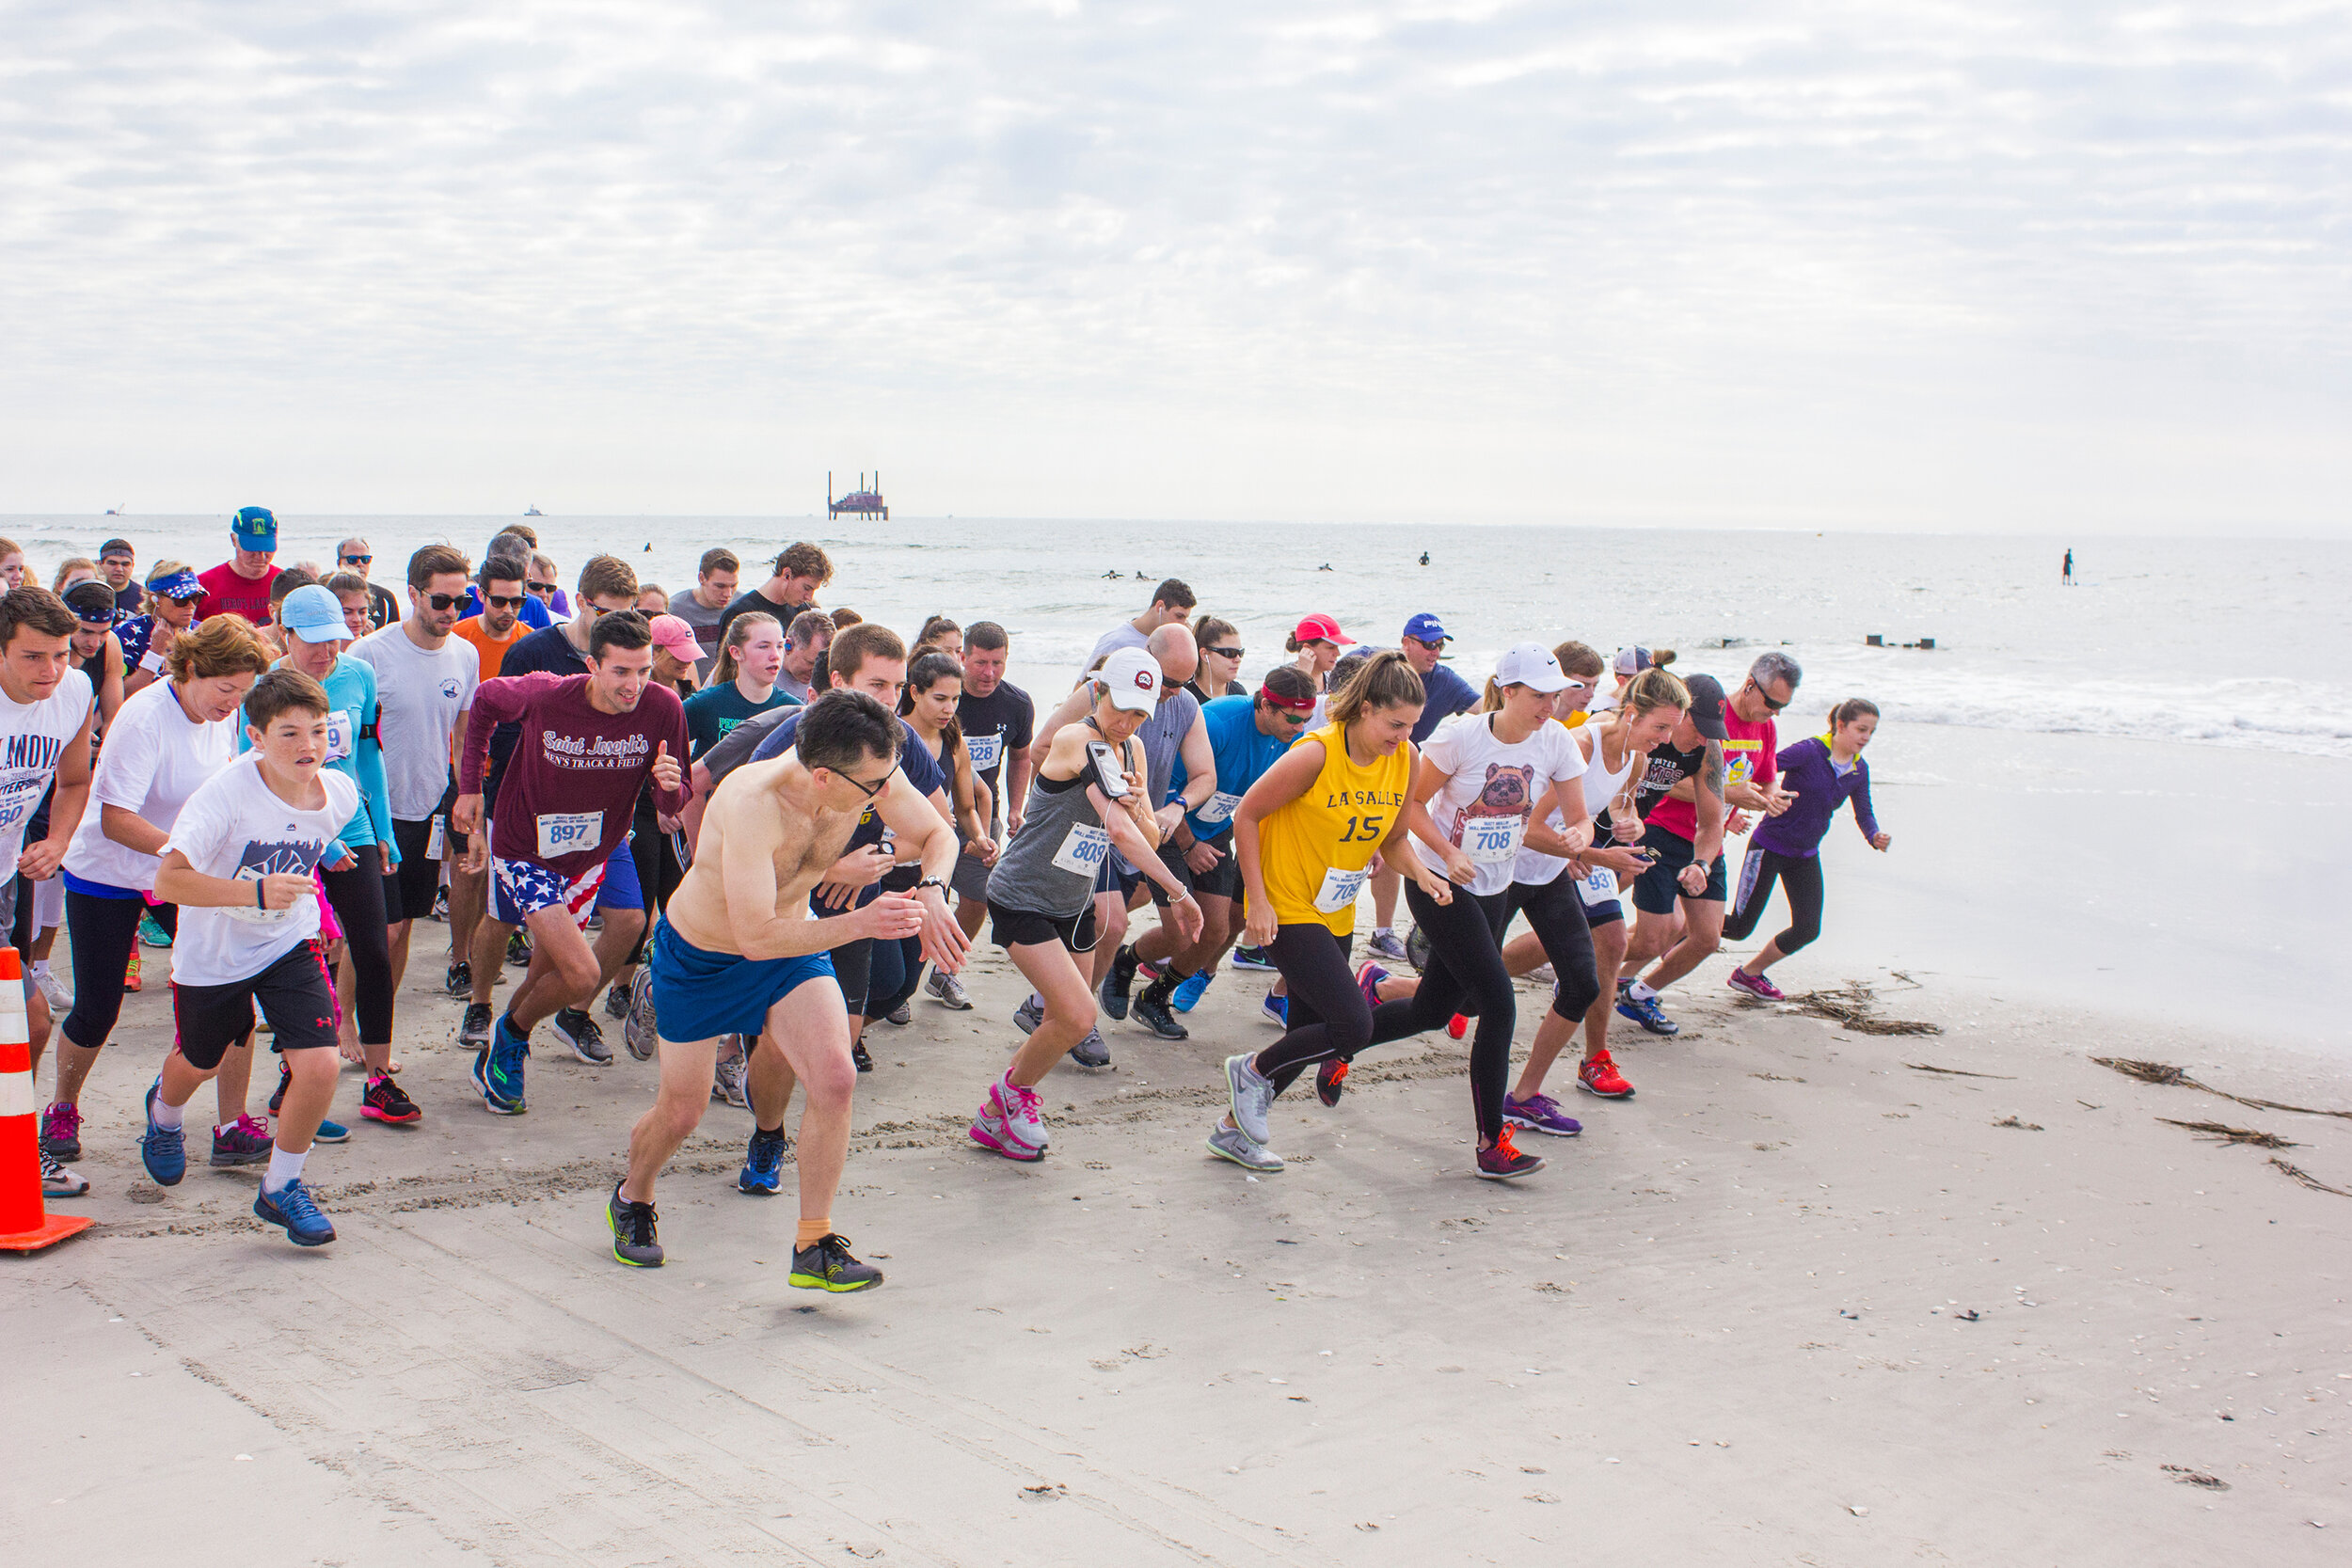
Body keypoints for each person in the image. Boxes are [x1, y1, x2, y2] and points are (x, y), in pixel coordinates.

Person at [611, 690, 967, 1280]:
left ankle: (814, 1244)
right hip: (706, 955)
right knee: (682, 1111)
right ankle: (634, 1196)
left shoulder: (867, 771)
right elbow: (754, 935)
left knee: (835, 1076)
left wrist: (931, 888)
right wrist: (859, 923)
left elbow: (940, 836)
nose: (884, 795)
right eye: (872, 788)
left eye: (886, 782)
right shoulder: (752, 799)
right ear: (823, 777)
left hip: (792, 946)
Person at [1208, 651, 1483, 1175]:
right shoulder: (1316, 753)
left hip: (1335, 909)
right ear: (1363, 709)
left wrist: (1422, 873)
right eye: (1394, 724)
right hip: (1284, 903)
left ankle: (1231, 1131)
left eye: (1412, 726)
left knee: (1309, 1035)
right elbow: (1247, 814)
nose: (1403, 735)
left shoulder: (1406, 759)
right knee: (1353, 1026)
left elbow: (1396, 839)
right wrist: (1258, 900)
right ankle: (1249, 1071)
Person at [140, 668, 359, 1246]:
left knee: (321, 1063)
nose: (307, 746)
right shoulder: (222, 797)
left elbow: (306, 835)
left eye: (316, 731)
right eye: (289, 734)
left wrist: (326, 861)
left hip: (288, 941)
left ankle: (281, 1186)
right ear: (255, 738)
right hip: (213, 952)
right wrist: (253, 892)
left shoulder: (339, 792)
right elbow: (167, 881)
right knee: (202, 1060)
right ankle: (163, 1115)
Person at [52, 617, 274, 1178]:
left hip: (173, 870)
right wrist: (187, 857)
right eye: (227, 690)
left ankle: (230, 1127)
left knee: (232, 989)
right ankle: (62, 1110)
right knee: (99, 1006)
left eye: (244, 693)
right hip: (108, 870)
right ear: (193, 669)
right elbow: (115, 820)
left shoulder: (222, 715)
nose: (234, 705)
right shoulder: (146, 716)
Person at [971, 647, 1202, 1161]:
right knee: (1078, 1016)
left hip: (1073, 899)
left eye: (1141, 712)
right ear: (1097, 693)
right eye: (1120, 706)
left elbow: (1141, 828)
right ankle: (1009, 1100)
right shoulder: (1080, 738)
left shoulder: (1134, 751)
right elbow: (1119, 831)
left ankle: (998, 1114)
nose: (1128, 721)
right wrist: (1179, 893)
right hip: (1023, 895)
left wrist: (1140, 799)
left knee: (1066, 1015)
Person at [453, 610, 689, 1110]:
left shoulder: (664, 706)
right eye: (621, 672)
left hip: (600, 845)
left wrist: (669, 787)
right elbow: (483, 702)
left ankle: (520, 1031)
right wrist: (470, 787)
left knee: (603, 940)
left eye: (644, 670)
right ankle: (513, 1035)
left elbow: (674, 803)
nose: (634, 685)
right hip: (526, 849)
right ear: (592, 664)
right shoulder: (545, 692)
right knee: (579, 974)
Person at [743, 625, 957, 1073]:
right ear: (838, 682)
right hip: (779, 903)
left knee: (868, 1015)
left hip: (855, 896)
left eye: (898, 687)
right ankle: (737, 1056)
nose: (890, 700)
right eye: (876, 685)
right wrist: (834, 869)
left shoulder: (898, 739)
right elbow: (747, 860)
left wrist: (921, 880)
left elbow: (939, 828)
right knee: (766, 1042)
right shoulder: (790, 743)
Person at [455, 555, 644, 1053]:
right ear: (580, 602)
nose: (619, 626)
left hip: (601, 823)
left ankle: (570, 1012)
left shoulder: (636, 673)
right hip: (528, 814)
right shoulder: (536, 653)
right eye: (606, 613)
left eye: (631, 615)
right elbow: (494, 725)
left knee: (627, 920)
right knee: (502, 917)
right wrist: (479, 800)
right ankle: (481, 1002)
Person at [1492, 668, 1690, 1122]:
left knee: (1608, 950)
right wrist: (1595, 857)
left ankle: (1556, 1079)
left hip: (1574, 861)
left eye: (1672, 730)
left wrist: (1631, 824)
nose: (1664, 740)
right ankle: (1387, 988)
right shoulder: (1581, 745)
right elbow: (1528, 828)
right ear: (1632, 713)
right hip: (1517, 866)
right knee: (1461, 994)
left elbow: (1620, 804)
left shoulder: (1638, 757)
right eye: (1660, 727)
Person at [243, 584, 406, 1125]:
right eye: (312, 642)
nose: (326, 653)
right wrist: (321, 840)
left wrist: (381, 828)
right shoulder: (265, 686)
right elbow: (255, 772)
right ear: (283, 633)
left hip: (351, 822)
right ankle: (292, 1078)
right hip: (290, 830)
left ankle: (379, 1081)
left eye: (335, 640)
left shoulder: (357, 674)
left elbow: (366, 755)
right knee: (296, 952)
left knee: (374, 947)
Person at [1030, 626, 1209, 1062]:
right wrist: (1087, 788)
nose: (1169, 692)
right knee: (1108, 923)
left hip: (1138, 817)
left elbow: (1206, 775)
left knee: (1108, 925)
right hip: (1088, 824)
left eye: (1181, 684)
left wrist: (1174, 808)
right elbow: (1041, 750)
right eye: (1165, 680)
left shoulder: (1183, 705)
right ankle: (1076, 1020)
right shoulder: (1095, 695)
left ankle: (1052, 1005)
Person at [1105, 666, 1317, 1028]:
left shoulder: (1293, 740)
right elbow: (1164, 791)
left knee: (1216, 931)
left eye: (1307, 720)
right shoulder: (1218, 722)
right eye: (1293, 719)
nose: (1300, 728)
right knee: (1181, 933)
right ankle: (1125, 961)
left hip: (1218, 831)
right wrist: (1189, 846)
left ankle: (1154, 996)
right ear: (1265, 705)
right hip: (1169, 827)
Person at [1617, 655, 1802, 1032]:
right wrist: (1730, 795)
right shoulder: (1674, 723)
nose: (1775, 713)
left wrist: (1769, 798)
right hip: (1658, 831)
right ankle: (1585, 964)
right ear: (1751, 685)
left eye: (1783, 707)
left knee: (1705, 938)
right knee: (1655, 932)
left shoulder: (1754, 732)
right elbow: (1655, 780)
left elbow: (1757, 782)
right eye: (1771, 703)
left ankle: (1637, 991)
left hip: (1705, 841)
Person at [351, 546, 478, 1072]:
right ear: (413, 593)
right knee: (376, 929)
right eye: (442, 599)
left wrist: (467, 799)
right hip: (369, 809)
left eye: (461, 599)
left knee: (404, 924)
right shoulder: (368, 655)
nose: (451, 610)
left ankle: (378, 1021)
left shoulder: (464, 656)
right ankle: (344, 1024)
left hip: (429, 808)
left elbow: (465, 735)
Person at [1, 587, 98, 1197]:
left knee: (30, 1025)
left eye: (60, 654)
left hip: (7, 879)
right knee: (27, 1020)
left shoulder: (74, 693)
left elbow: (76, 778)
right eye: (34, 656)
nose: (51, 670)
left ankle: (15, 1145)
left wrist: (59, 839)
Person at [1724, 698, 1889, 999]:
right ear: (1841, 726)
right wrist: (1737, 806)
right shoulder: (1809, 751)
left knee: (1807, 929)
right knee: (1737, 927)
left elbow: (1863, 811)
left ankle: (1748, 974)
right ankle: (1684, 930)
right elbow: (1764, 768)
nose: (1866, 737)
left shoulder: (1858, 769)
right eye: (1861, 729)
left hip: (1804, 855)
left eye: (1871, 732)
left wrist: (1874, 834)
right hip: (1768, 848)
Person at [868, 653, 992, 1028]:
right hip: (881, 868)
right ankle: (852, 1033)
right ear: (915, 693)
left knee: (905, 982)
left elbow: (967, 805)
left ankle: (865, 1017)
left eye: (956, 700)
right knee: (881, 976)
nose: (949, 709)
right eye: (940, 699)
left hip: (927, 872)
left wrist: (981, 837)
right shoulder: (888, 738)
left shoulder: (954, 742)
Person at [1355, 612, 1478, 962]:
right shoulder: (1369, 663)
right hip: (1360, 764)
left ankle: (1382, 932)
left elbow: (1486, 713)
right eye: (1428, 644)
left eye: (1440, 644)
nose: (1435, 651)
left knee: (1389, 840)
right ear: (1406, 642)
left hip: (1401, 771)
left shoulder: (1444, 681)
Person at [945, 621, 1032, 957]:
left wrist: (1014, 808)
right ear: (963, 657)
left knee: (978, 901)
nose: (989, 673)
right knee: (930, 896)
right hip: (937, 808)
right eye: (981, 663)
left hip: (983, 814)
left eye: (998, 663)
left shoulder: (1017, 703)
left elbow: (1021, 757)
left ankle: (946, 968)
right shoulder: (945, 695)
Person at [683, 612, 791, 760]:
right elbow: (661, 744)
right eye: (764, 647)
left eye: (780, 646)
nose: (775, 655)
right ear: (736, 652)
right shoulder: (705, 704)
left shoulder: (791, 710)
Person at [716, 543, 833, 645]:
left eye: (813, 590)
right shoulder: (739, 612)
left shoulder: (801, 612)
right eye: (806, 588)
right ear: (787, 574)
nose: (809, 597)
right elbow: (726, 667)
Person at [119, 563, 203, 699]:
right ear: (155, 599)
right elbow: (123, 695)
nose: (191, 606)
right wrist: (155, 652)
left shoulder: (202, 632)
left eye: (196, 598)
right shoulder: (128, 632)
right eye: (181, 600)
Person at [195, 506, 283, 625]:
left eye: (267, 548)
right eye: (252, 548)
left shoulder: (286, 584)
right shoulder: (203, 586)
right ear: (234, 540)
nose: (261, 557)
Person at [1084, 578, 1195, 670]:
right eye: (1179, 616)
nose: (1183, 624)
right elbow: (1083, 688)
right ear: (1160, 606)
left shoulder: (1173, 642)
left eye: (1186, 618)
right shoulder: (1116, 642)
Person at [60, 582, 127, 732]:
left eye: (103, 632)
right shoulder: (45, 645)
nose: (95, 643)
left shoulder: (111, 643)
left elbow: (112, 720)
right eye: (85, 632)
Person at [453, 554, 532, 681]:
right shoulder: (456, 637)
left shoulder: (531, 643)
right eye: (499, 601)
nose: (508, 610)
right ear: (480, 595)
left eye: (516, 601)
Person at [667, 547, 739, 678]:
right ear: (702, 578)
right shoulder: (675, 610)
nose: (728, 594)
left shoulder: (741, 606)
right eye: (720, 586)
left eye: (733, 586)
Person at [335, 538, 401, 629]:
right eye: (352, 559)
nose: (360, 564)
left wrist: (371, 639)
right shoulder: (328, 595)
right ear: (339, 563)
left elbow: (395, 638)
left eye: (365, 559)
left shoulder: (385, 597)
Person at [1283, 613, 1351, 701]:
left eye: (1337, 647)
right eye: (1330, 648)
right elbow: (1291, 709)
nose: (1338, 653)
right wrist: (1303, 675)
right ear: (1307, 649)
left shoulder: (1334, 675)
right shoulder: (1283, 678)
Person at [1185, 614, 1248, 701]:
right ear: (1204, 654)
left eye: (1240, 652)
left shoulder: (1239, 693)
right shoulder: (1185, 697)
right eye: (1229, 653)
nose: (1238, 659)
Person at [776, 608, 832, 704]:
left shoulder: (828, 676)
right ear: (788, 646)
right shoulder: (763, 669)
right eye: (810, 663)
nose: (816, 671)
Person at [647, 613, 704, 697]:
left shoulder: (688, 691)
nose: (687, 662)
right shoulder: (642, 696)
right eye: (678, 656)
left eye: (689, 654)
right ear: (652, 652)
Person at [98, 539, 139, 615]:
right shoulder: (90, 595)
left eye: (125, 564)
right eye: (112, 563)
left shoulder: (144, 598)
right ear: (100, 564)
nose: (119, 569)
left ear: (133, 566)